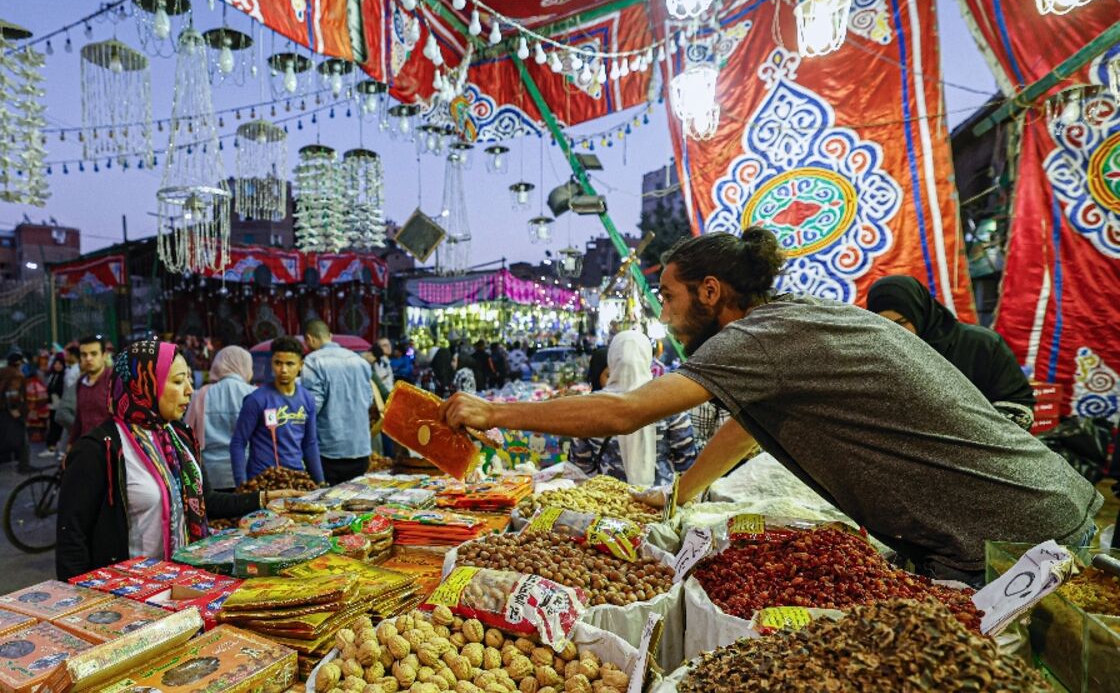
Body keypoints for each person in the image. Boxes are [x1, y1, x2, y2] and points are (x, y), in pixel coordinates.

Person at [441, 228, 1102, 586]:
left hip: (1013, 533)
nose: (666, 320)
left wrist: (491, 414)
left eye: (668, 301)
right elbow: (745, 426)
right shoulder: (790, 323)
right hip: (1025, 512)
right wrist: (681, 492)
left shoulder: (757, 336)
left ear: (709, 290)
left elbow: (624, 413)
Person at [55, 340, 270, 580]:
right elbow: (71, 538)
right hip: (127, 592)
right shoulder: (98, 450)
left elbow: (205, 501)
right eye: (178, 381)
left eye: (189, 379)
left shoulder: (179, 437)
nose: (189, 389)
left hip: (185, 581)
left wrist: (265, 499)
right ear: (144, 385)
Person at [867, 275, 1037, 430]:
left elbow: (1019, 406)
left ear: (920, 313)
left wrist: (967, 431)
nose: (895, 331)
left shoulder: (980, 345)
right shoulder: (879, 356)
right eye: (884, 324)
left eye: (901, 322)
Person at [567, 331, 697, 487]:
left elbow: (581, 468)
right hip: (660, 501)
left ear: (612, 359)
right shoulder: (670, 406)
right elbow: (687, 462)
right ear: (647, 358)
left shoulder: (590, 408)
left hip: (608, 503)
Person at [230, 337, 324, 487]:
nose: (283, 370)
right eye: (278, 363)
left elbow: (310, 443)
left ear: (301, 365)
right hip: (263, 480)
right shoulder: (256, 400)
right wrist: (242, 484)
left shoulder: (307, 399)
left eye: (290, 364)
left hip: (296, 478)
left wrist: (320, 481)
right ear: (272, 363)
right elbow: (238, 442)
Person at [301, 320, 373, 485]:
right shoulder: (359, 361)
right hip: (360, 447)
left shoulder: (313, 362)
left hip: (329, 450)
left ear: (309, 339)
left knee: (329, 506)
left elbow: (313, 407)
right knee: (356, 504)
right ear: (330, 337)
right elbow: (368, 400)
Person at [185, 345, 257, 491]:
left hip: (211, 475)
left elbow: (187, 434)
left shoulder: (199, 395)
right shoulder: (255, 394)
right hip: (249, 472)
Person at [0, 353, 32, 476]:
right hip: (9, 412)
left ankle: (24, 465)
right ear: (19, 363)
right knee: (15, 440)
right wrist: (16, 411)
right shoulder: (16, 375)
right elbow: (12, 394)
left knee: (3, 439)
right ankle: (23, 466)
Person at [69, 334, 112, 444]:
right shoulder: (81, 382)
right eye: (84, 355)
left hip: (111, 448)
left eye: (93, 354)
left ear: (104, 355)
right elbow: (79, 417)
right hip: (87, 447)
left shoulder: (114, 379)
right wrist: (70, 445)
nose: (88, 358)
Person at [44, 355, 68, 457]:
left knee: (58, 425)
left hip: (60, 404)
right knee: (52, 424)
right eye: (55, 363)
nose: (57, 366)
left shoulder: (64, 376)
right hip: (52, 404)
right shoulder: (52, 375)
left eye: (59, 364)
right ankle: (52, 446)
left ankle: (55, 446)